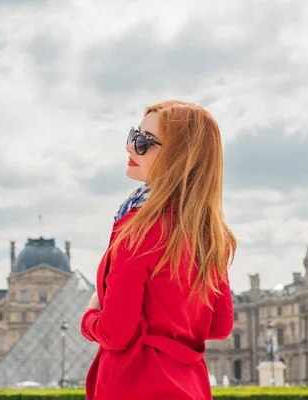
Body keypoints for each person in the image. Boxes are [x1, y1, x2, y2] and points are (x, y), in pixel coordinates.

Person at [81, 100, 236, 399]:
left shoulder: (137, 230)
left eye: (144, 142)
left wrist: (89, 316)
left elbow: (116, 333)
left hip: (132, 385)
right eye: (132, 136)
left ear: (179, 156)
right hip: (190, 386)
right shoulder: (210, 234)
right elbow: (219, 325)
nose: (129, 147)